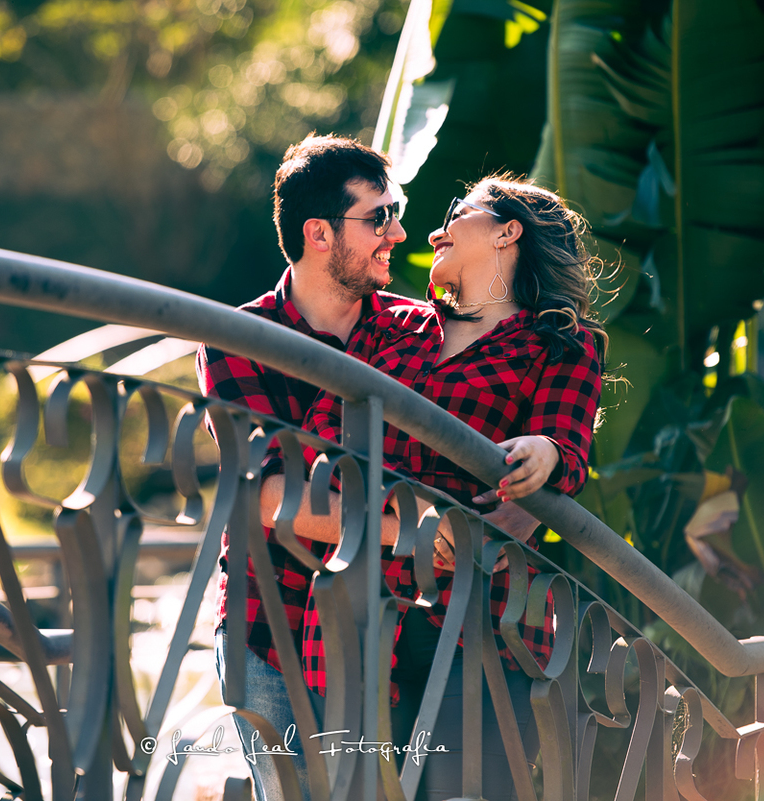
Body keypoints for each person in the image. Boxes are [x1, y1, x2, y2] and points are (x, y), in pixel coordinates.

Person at [273, 173, 607, 801]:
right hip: (356, 611)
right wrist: (401, 519)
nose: (431, 232)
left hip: (480, 619)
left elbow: (565, 449)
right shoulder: (387, 329)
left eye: (458, 212)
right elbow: (320, 446)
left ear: (507, 231)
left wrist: (545, 453)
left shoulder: (562, 343)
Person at [195, 133, 414, 801]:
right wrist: (412, 531)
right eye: (379, 217)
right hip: (271, 626)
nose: (398, 234)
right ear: (319, 233)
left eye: (396, 212)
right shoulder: (238, 340)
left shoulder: (416, 331)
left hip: (390, 625)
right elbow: (271, 499)